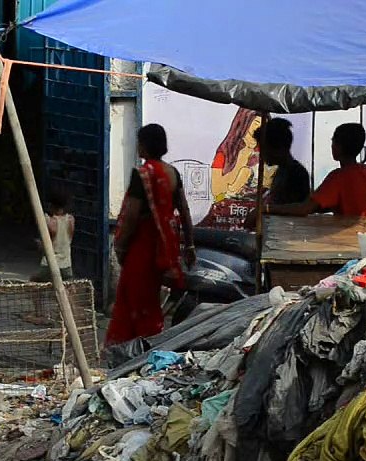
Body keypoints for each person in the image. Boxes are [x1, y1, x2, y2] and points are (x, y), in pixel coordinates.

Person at [107, 124, 195, 346]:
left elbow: (131, 216)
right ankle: (148, 345)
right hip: (167, 247)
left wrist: (120, 247)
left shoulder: (143, 175)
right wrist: (190, 246)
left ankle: (136, 350)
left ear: (144, 145)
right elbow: (184, 211)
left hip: (143, 247)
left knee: (134, 302)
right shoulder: (172, 173)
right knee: (151, 303)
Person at [269, 123, 366, 218]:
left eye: (333, 141)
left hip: (349, 241)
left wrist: (267, 209)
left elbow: (304, 209)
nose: (332, 146)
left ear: (338, 146)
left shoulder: (338, 177)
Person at [200, 109, 265, 229]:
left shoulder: (266, 155)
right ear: (244, 124)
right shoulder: (225, 152)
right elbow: (217, 192)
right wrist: (241, 161)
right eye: (255, 125)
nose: (257, 132)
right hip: (226, 216)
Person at [255, 117, 311, 207]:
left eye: (264, 148)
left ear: (279, 148)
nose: (261, 154)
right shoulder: (282, 171)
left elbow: (293, 209)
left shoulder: (296, 174)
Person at [31, 188, 75, 282]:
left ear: (52, 205)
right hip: (67, 265)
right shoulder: (71, 220)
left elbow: (44, 246)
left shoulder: (49, 222)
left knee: (34, 282)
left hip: (50, 265)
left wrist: (38, 243)